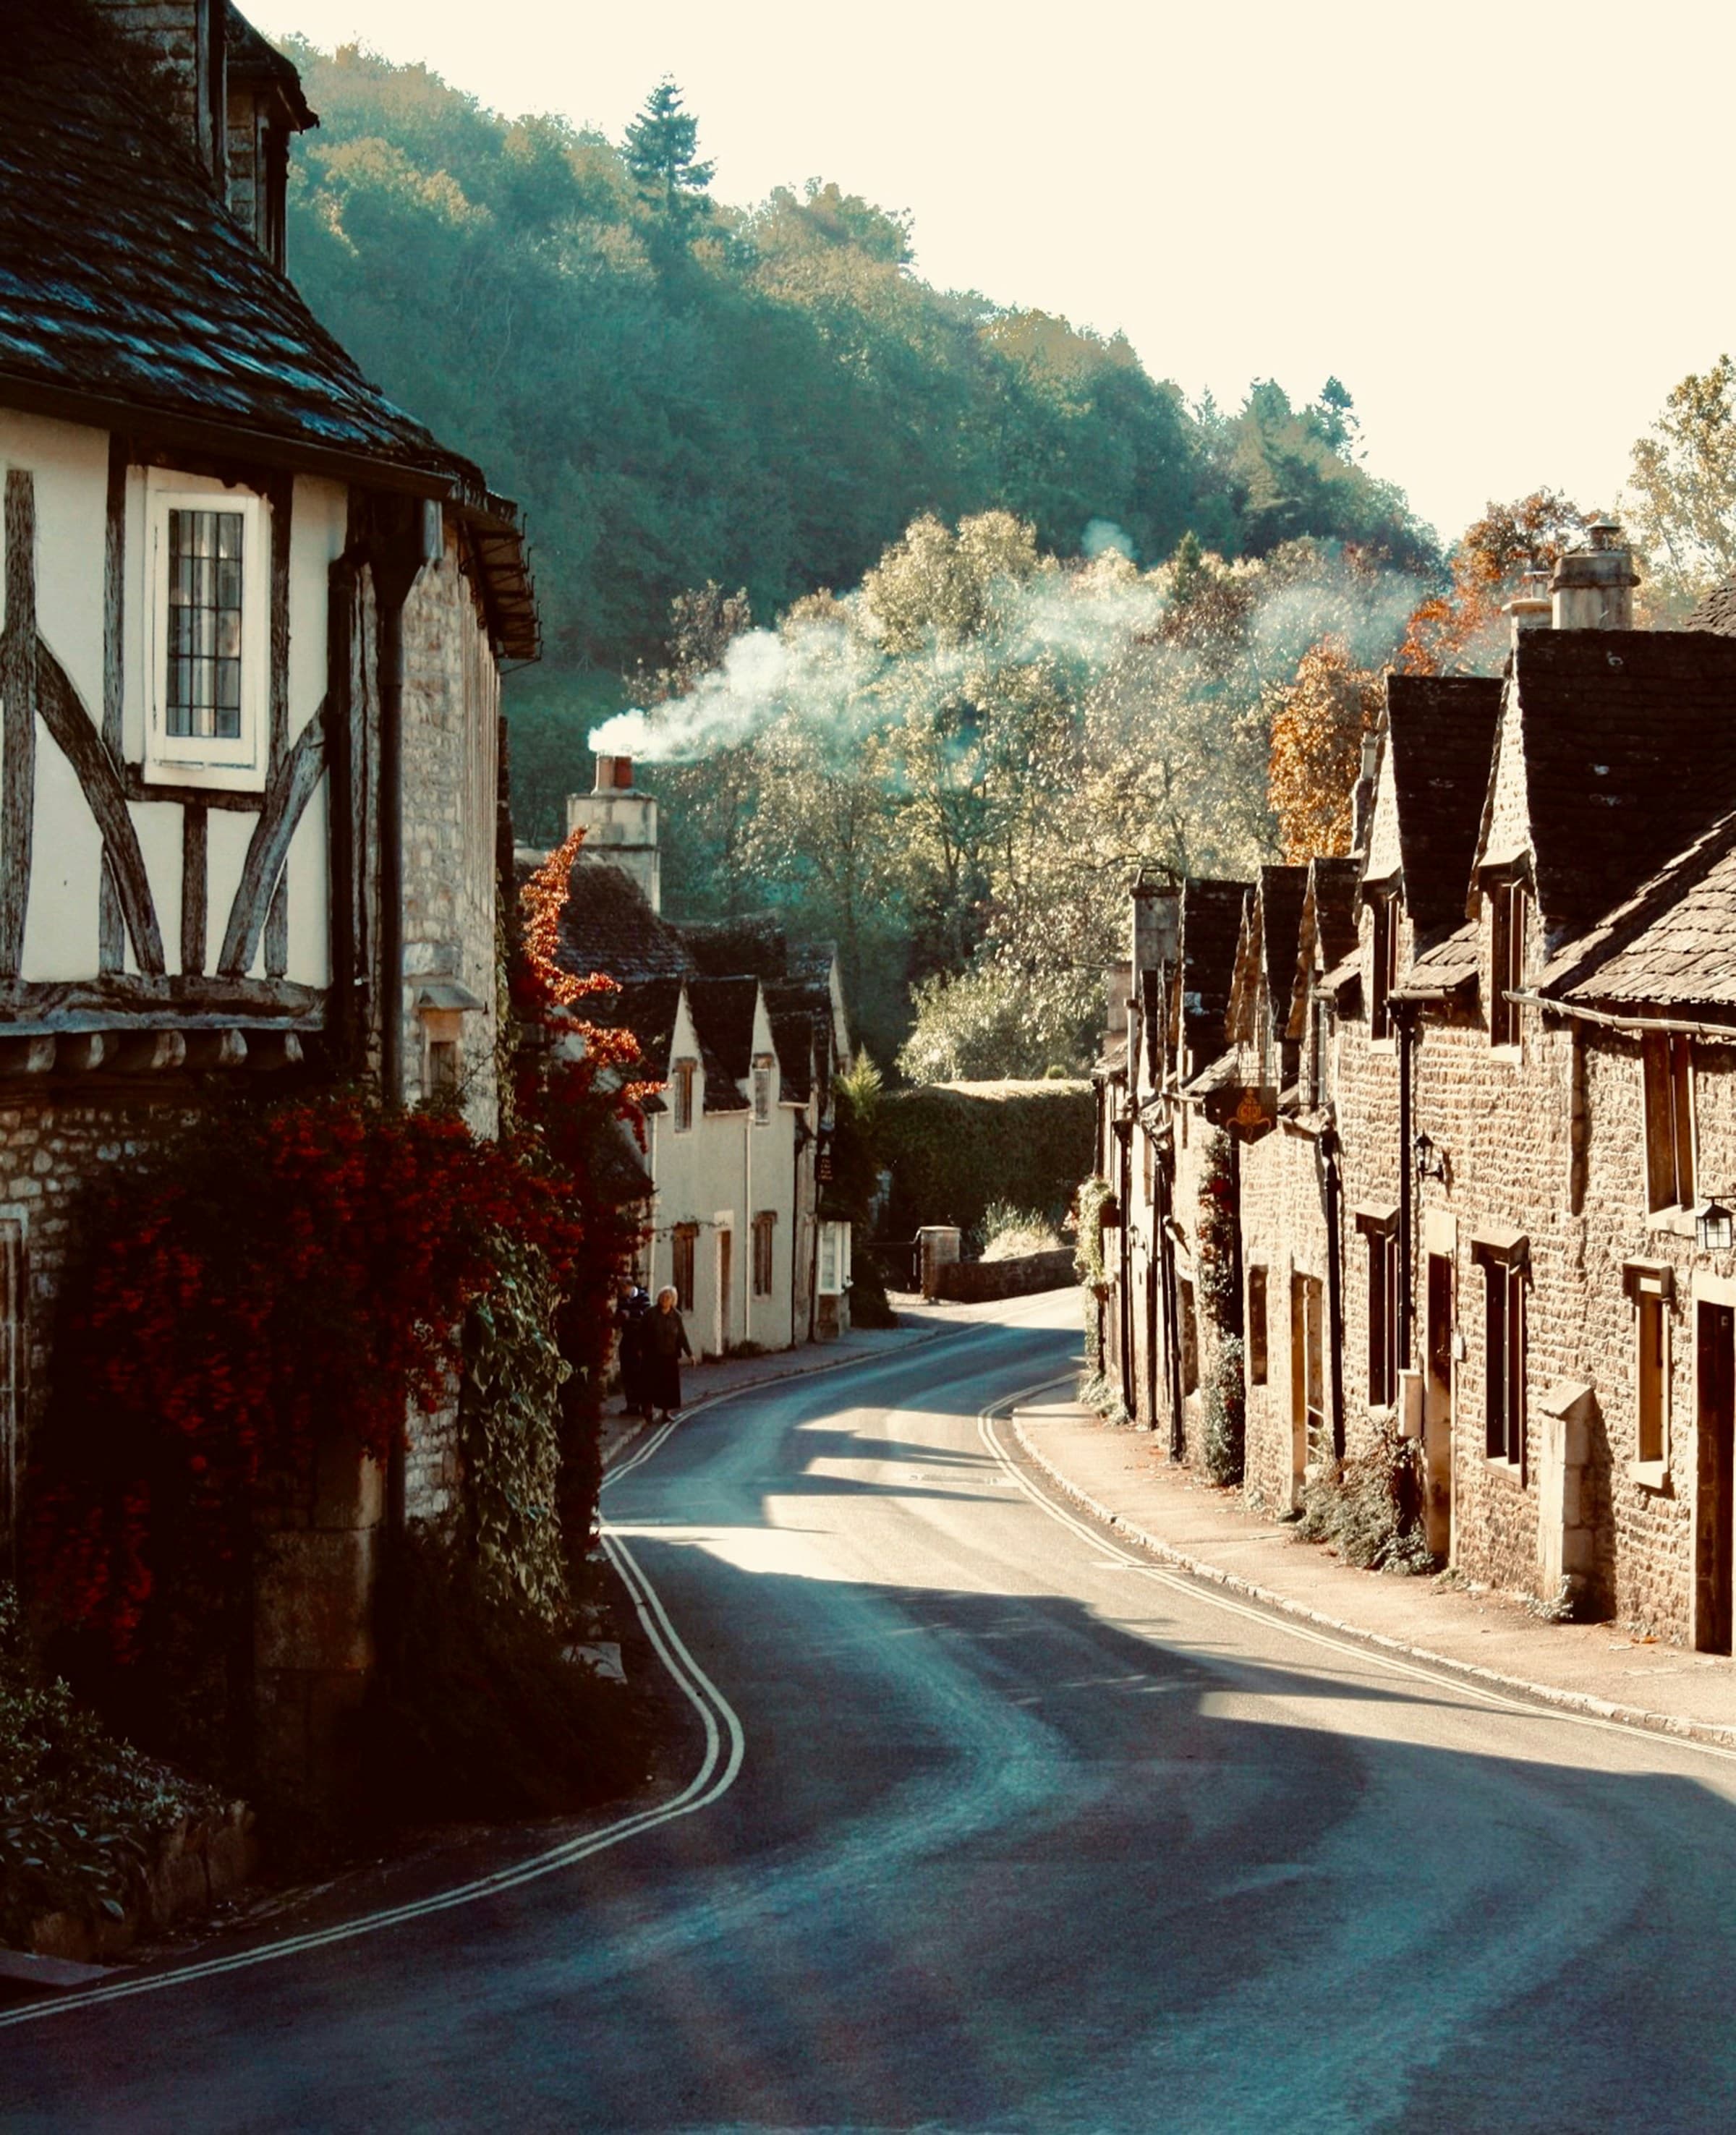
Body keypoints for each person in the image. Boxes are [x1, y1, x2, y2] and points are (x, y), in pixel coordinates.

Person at [645, 1286, 692, 1422]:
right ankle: (648, 1411)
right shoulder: (651, 1314)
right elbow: (642, 1332)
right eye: (663, 1297)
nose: (665, 1299)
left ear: (673, 1301)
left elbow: (682, 1336)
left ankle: (666, 1413)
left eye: (668, 1297)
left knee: (668, 1387)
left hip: (670, 1355)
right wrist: (641, 1349)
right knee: (651, 1384)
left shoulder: (676, 1316)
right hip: (653, 1355)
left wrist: (690, 1354)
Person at [614, 1283, 651, 1419]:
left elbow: (646, 1315)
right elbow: (619, 1316)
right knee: (627, 1372)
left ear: (628, 1287)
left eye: (622, 1289)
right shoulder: (622, 1299)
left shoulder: (643, 1297)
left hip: (639, 1339)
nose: (621, 1293)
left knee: (640, 1373)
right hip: (627, 1338)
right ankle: (631, 1405)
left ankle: (644, 1405)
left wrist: (630, 1314)